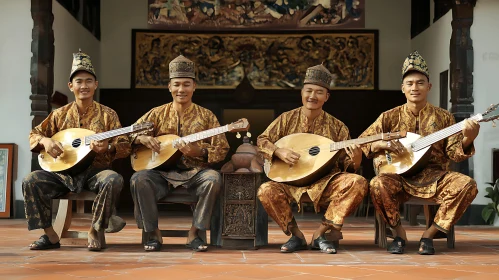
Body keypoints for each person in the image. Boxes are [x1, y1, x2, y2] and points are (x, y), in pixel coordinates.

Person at [360, 51, 480, 255]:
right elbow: (364, 143)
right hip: (397, 176)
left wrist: (469, 138)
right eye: (410, 83)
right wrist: (382, 144)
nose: (415, 88)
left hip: (434, 176)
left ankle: (430, 234)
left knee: (467, 185)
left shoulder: (444, 117)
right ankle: (399, 233)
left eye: (420, 83)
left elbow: (455, 154)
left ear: (429, 87)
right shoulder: (389, 117)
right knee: (377, 184)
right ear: (403, 88)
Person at [23, 50, 131, 251]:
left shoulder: (108, 115)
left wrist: (108, 146)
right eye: (79, 81)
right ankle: (50, 234)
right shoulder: (59, 115)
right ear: (70, 86)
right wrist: (45, 141)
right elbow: (34, 134)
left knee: (113, 179)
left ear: (95, 85)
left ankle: (96, 230)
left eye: (89, 81)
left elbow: (125, 144)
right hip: (62, 173)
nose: (84, 86)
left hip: (95, 173)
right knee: (31, 180)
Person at [257, 64, 368, 254]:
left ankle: (321, 234)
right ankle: (296, 236)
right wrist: (278, 151)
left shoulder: (338, 127)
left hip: (325, 182)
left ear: (326, 97)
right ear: (301, 93)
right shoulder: (286, 119)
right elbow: (261, 140)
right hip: (291, 182)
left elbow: (347, 167)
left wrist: (356, 157)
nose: (312, 96)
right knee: (265, 190)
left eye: (319, 92)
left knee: (358, 182)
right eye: (308, 90)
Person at [130, 55, 230, 252]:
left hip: (194, 174)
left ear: (194, 87)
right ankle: (153, 232)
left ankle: (195, 232)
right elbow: (126, 136)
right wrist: (141, 139)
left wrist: (200, 151)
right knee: (138, 179)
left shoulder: (206, 116)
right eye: (177, 84)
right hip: (160, 174)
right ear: (169, 87)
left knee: (213, 178)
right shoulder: (156, 114)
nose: (181, 89)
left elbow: (222, 149)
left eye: (186, 84)